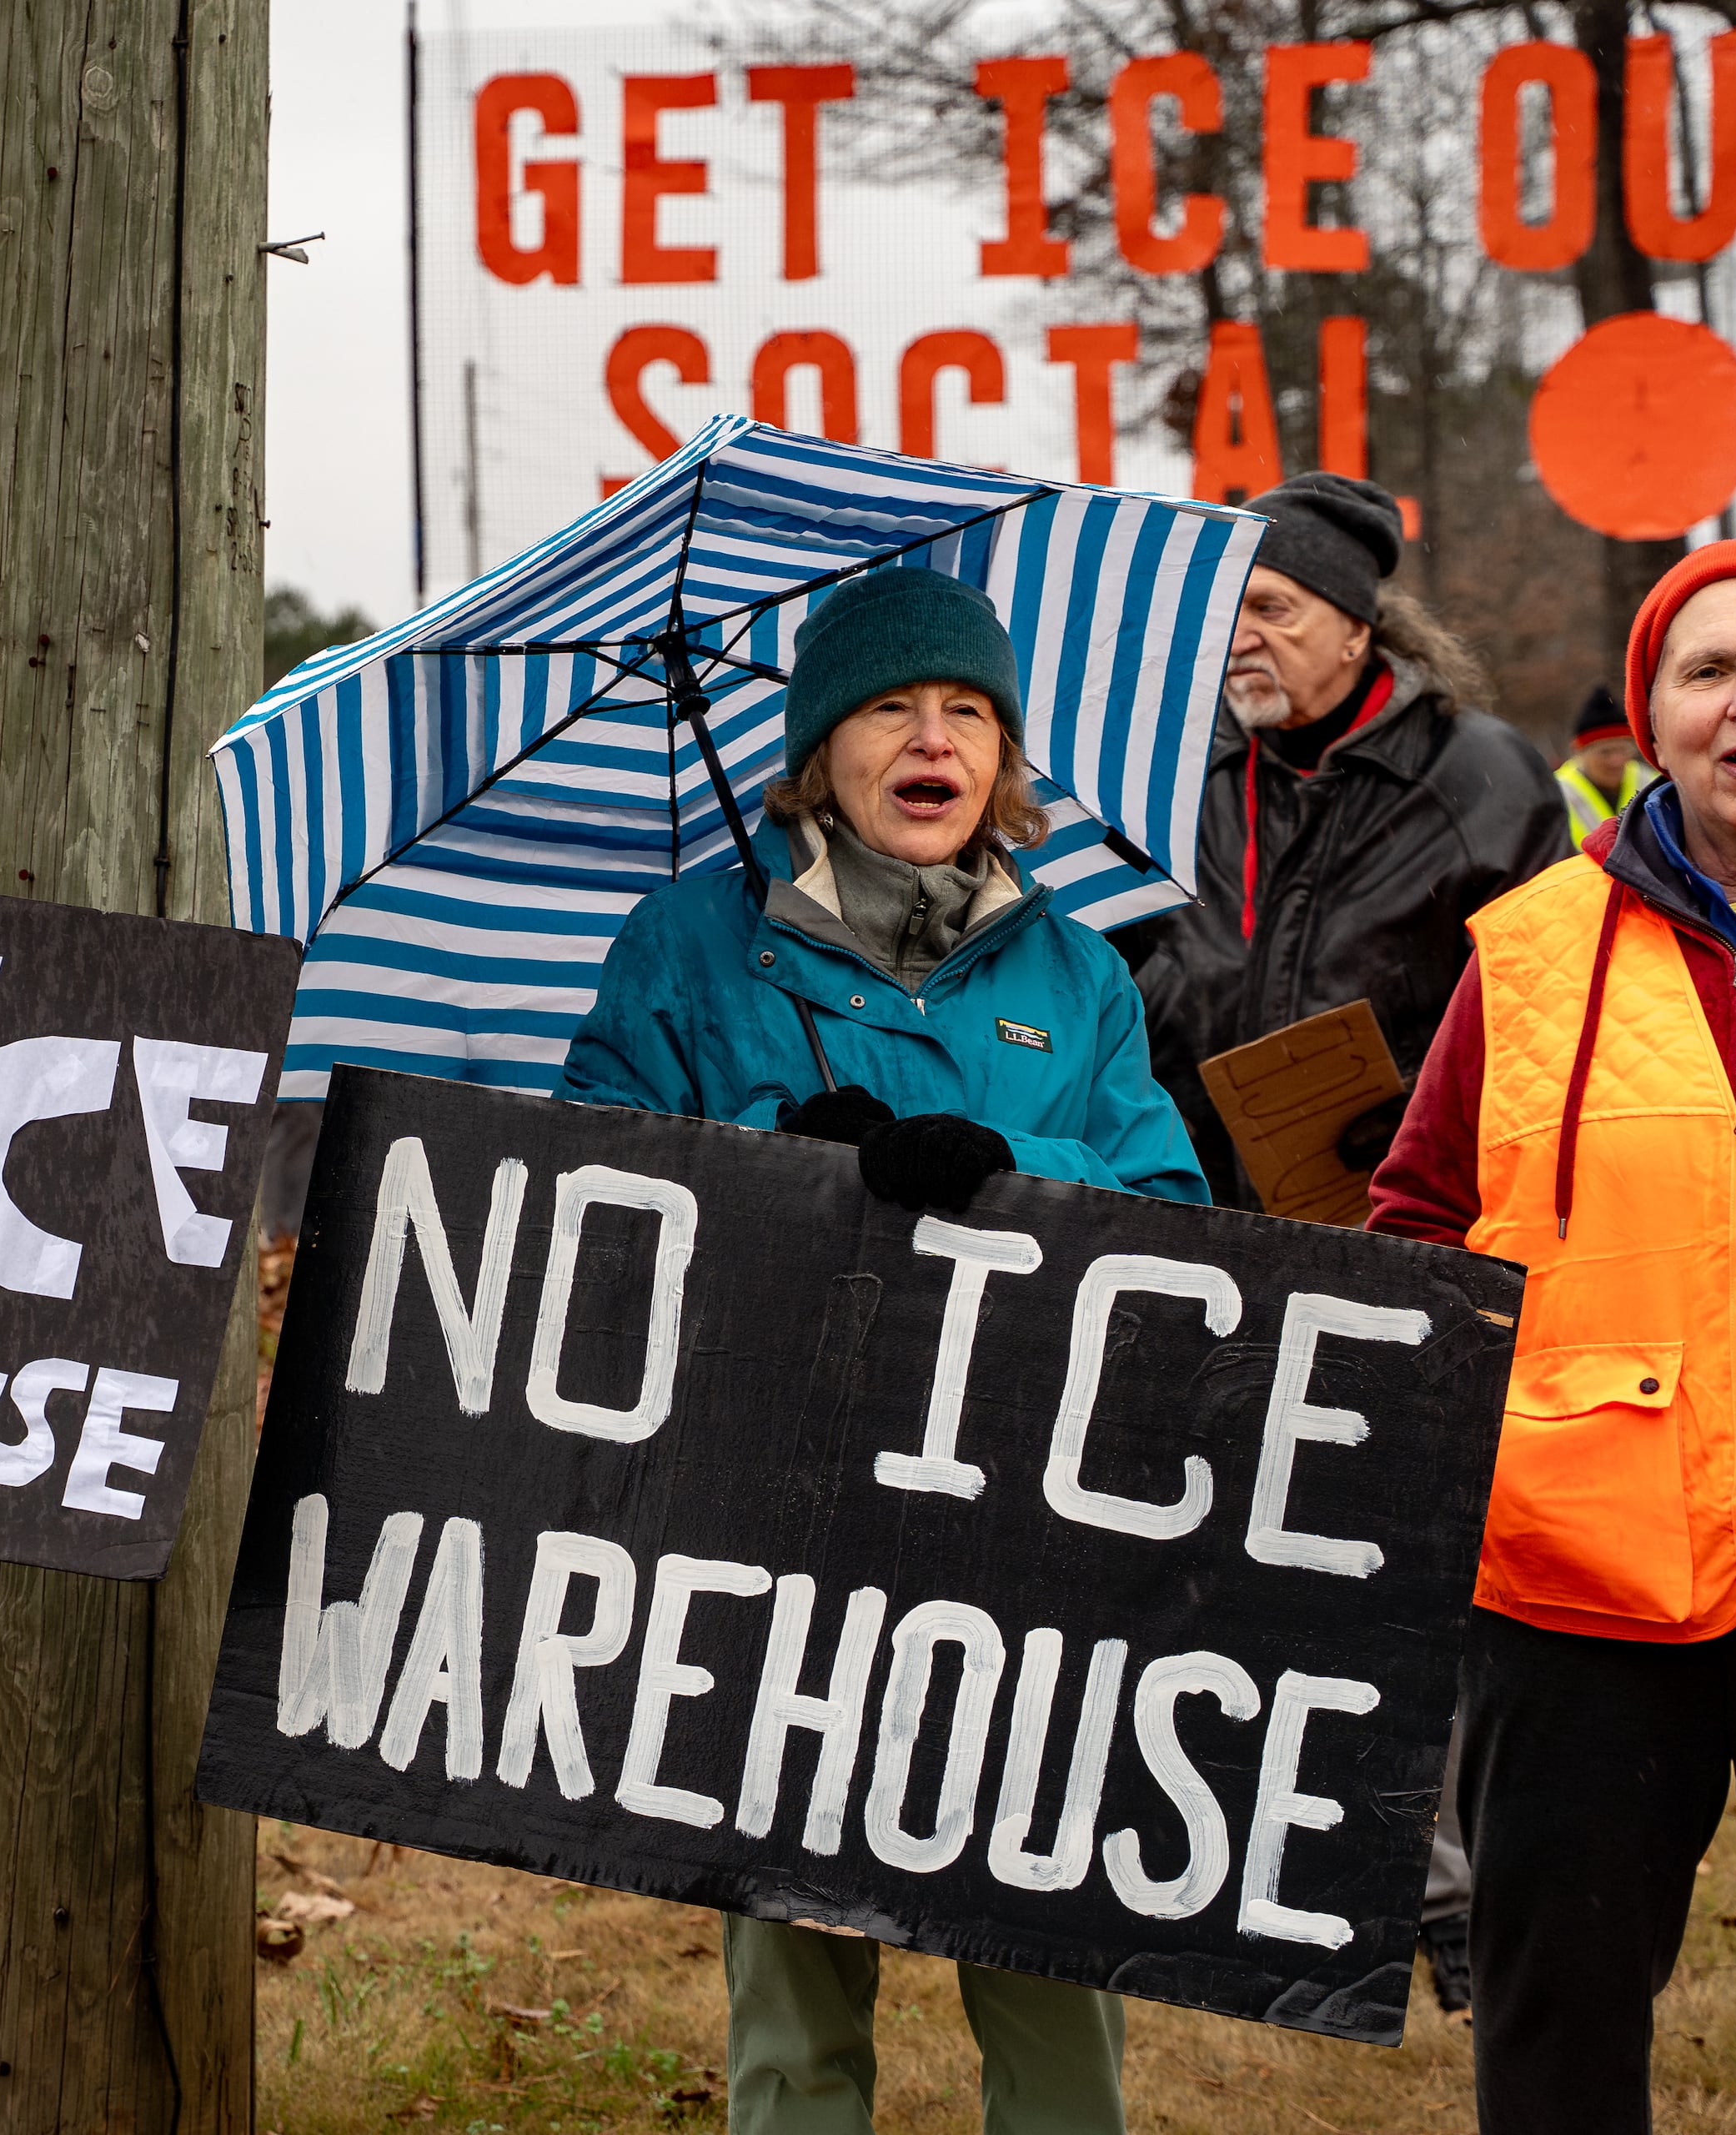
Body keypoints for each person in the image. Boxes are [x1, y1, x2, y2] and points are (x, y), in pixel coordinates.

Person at [560, 566, 1206, 2135]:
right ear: (818, 751)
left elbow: (1177, 1212)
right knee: (788, 1948)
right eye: (893, 708)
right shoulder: (686, 945)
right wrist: (785, 1155)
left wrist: (1004, 1166)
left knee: (1046, 1934)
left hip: (1019, 1519)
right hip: (775, 1509)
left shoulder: (1077, 969)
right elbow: (597, 1180)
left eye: (968, 713)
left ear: (1004, 760)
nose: (934, 741)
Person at [1369, 540, 1736, 2132]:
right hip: (1574, 1594)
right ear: (1650, 718)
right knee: (1557, 2039)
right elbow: (1419, 1230)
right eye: (1708, 674)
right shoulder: (1532, 950)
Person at [1127, 473, 1566, 1206]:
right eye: (1229, 609)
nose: (1242, 636)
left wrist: (1429, 1108)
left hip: (1392, 1205)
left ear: (1356, 632)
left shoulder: (1482, 777)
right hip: (1184, 1194)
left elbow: (1543, 1010)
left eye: (1273, 608)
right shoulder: (1173, 765)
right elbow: (1103, 972)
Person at [1556, 685, 1656, 841]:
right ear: (1578, 751)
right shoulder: (1558, 794)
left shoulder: (1651, 784)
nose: (1616, 760)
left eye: (1623, 750)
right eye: (1605, 752)